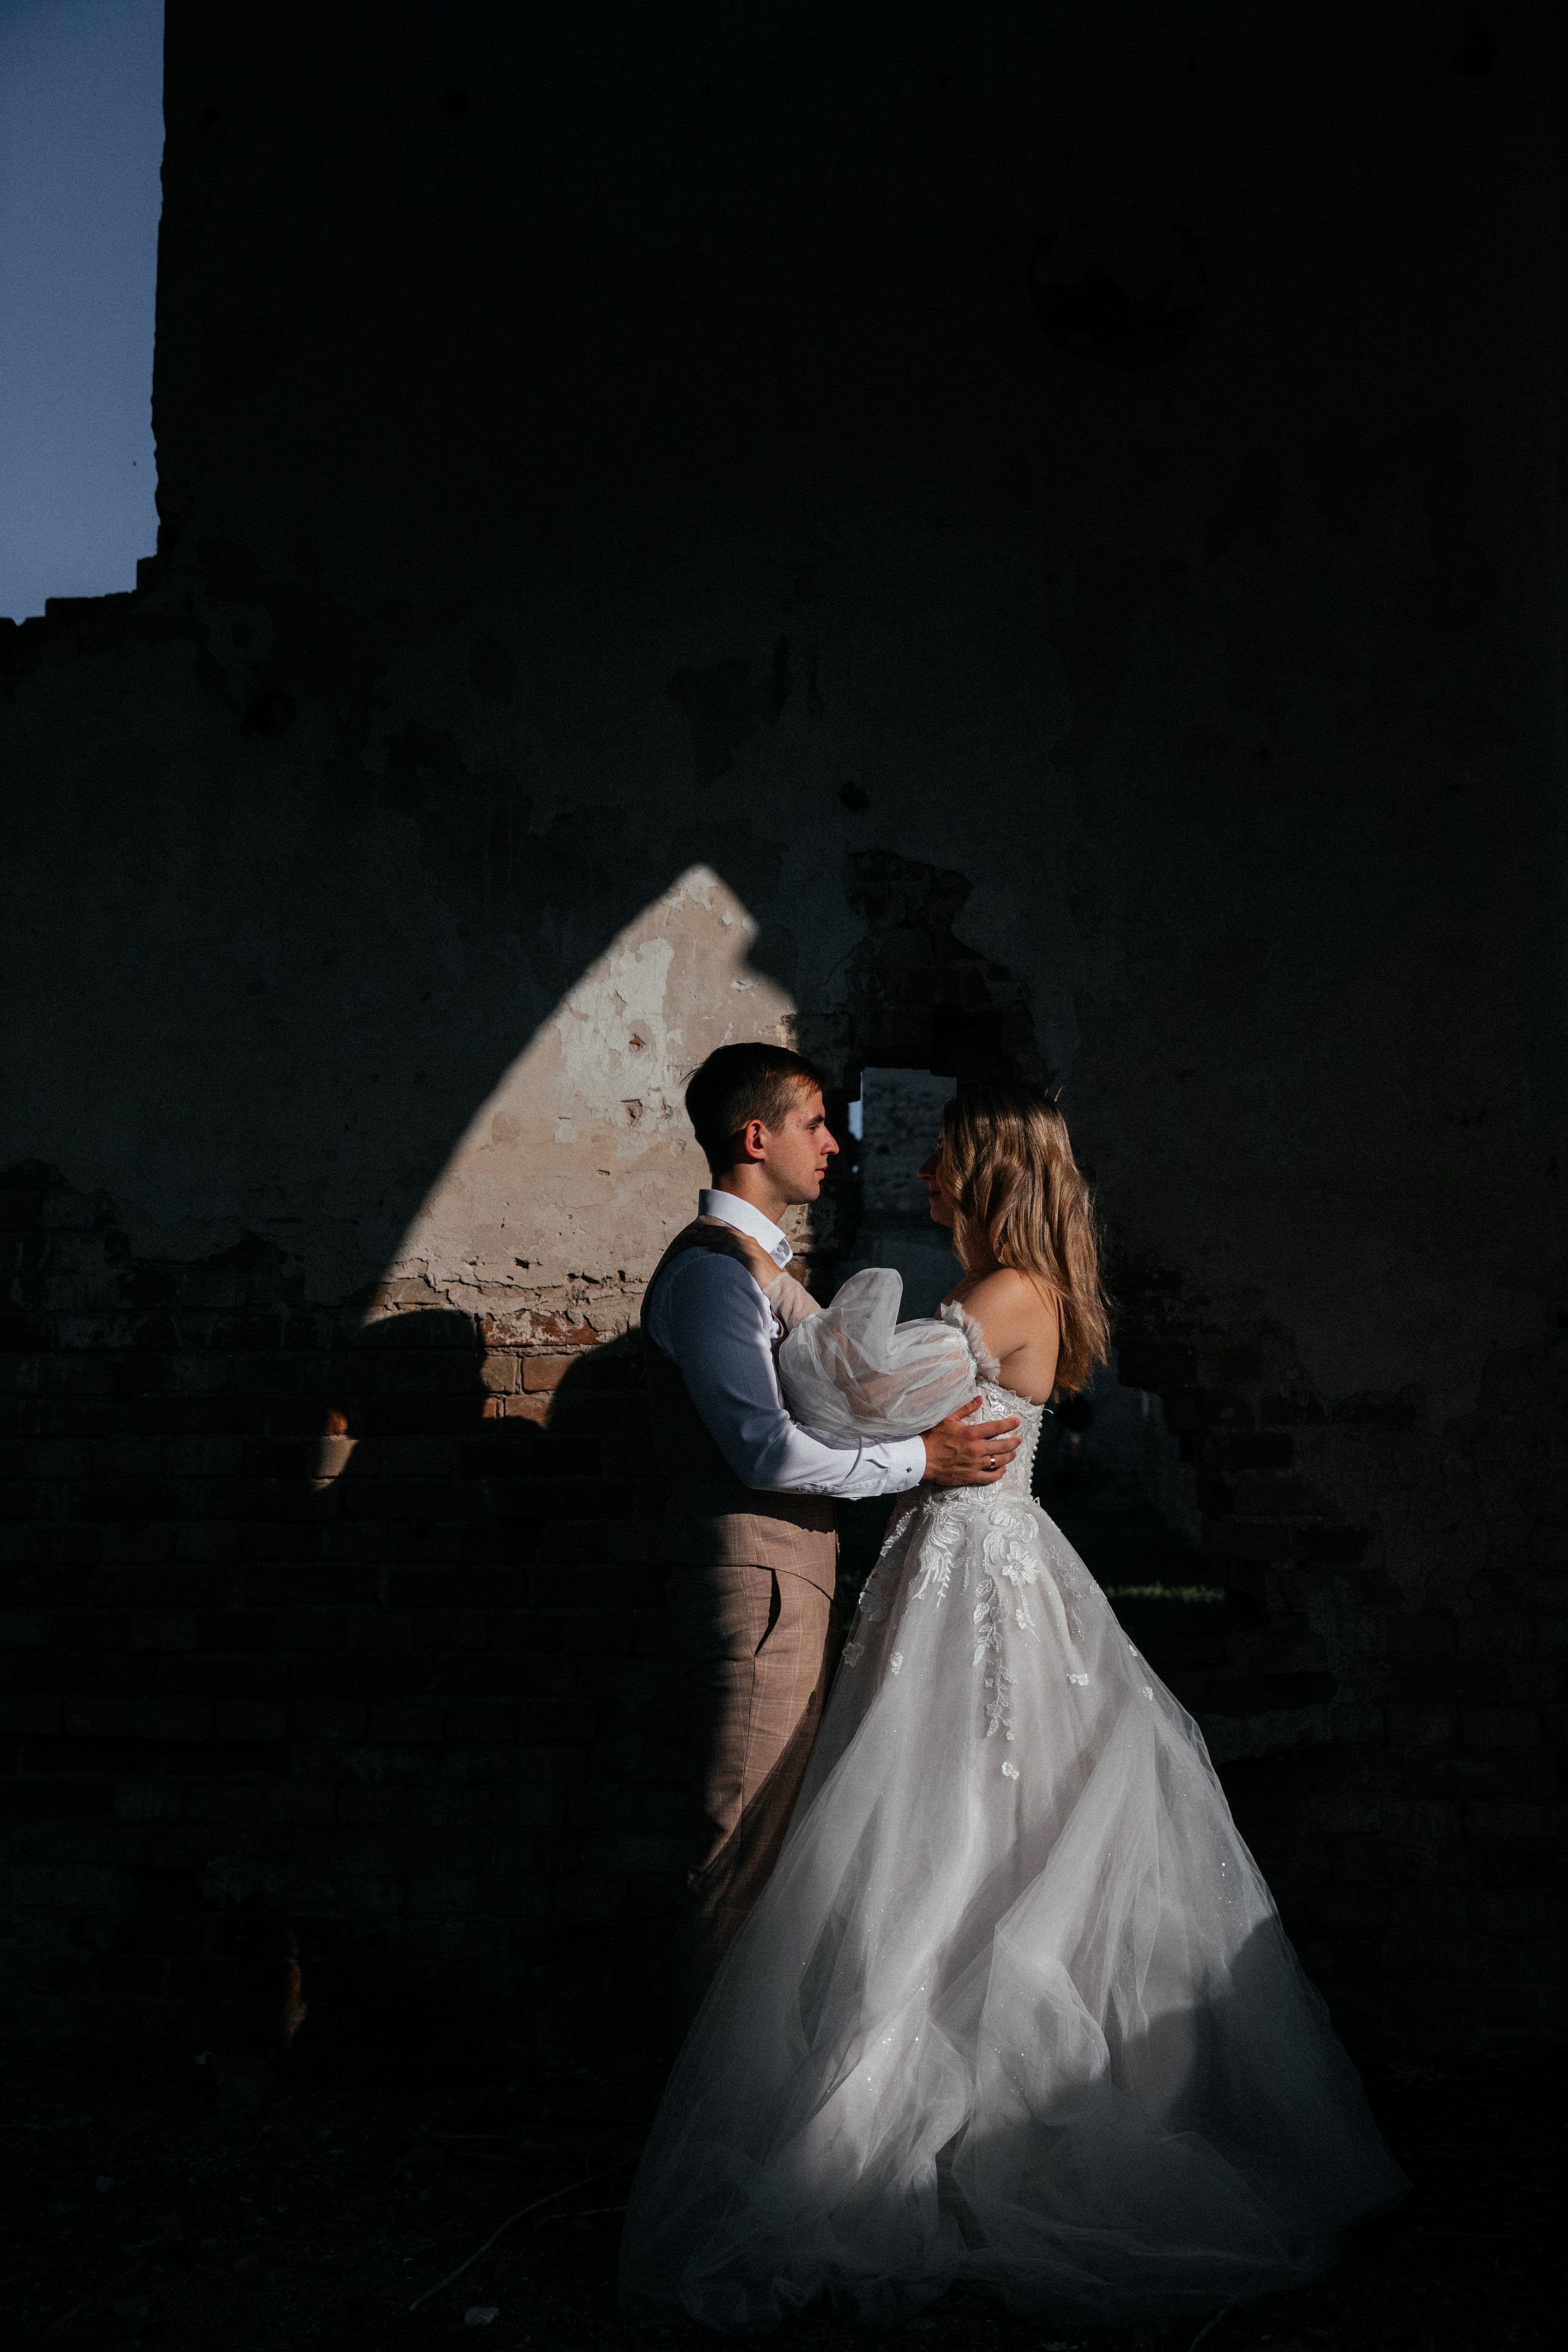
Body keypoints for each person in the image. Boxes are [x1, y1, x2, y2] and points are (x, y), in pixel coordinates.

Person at [622, 1081, 1407, 2332]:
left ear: (987, 1175)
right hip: (955, 1567)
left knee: (956, 1836)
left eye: (939, 1166)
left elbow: (839, 1404)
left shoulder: (1000, 1297)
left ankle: (943, 2137)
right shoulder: (1008, 1293)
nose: (920, 1181)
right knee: (948, 1830)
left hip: (976, 1578)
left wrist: (793, 1319)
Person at [641, 1042, 1023, 2025]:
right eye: (816, 1123)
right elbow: (764, 1453)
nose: (837, 1145)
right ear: (755, 1136)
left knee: (768, 1849)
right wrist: (922, 1463)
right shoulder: (717, 1276)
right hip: (751, 1586)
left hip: (789, 1583)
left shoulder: (763, 1270)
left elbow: (849, 1395)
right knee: (734, 1849)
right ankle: (697, 2136)